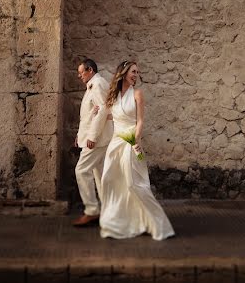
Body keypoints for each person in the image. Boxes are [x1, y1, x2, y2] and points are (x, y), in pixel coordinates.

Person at [99, 61, 175, 240]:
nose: (136, 75)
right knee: (110, 180)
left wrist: (137, 141)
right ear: (124, 73)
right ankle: (116, 222)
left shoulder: (138, 94)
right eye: (133, 71)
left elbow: (140, 120)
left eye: (137, 72)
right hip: (115, 142)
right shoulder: (114, 95)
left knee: (134, 183)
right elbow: (115, 115)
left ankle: (158, 223)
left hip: (131, 141)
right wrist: (97, 112)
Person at [72, 58, 112, 227]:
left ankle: (92, 211)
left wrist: (92, 137)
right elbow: (90, 114)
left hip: (97, 139)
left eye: (81, 72)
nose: (80, 76)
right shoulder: (93, 85)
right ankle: (108, 212)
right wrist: (80, 136)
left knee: (81, 170)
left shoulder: (98, 84)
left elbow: (103, 110)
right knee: (99, 174)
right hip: (94, 137)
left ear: (90, 70)